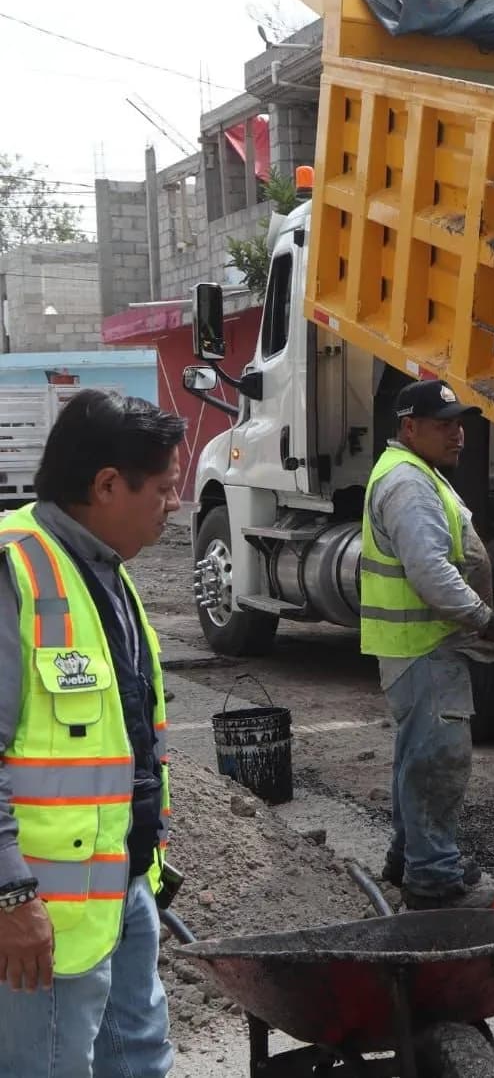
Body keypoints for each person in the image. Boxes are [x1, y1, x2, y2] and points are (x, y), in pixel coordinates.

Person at [0, 390, 185, 1076]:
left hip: (121, 887)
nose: (174, 504)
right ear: (108, 484)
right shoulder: (18, 570)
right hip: (39, 909)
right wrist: (10, 897)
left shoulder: (105, 569)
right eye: (164, 489)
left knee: (138, 1059)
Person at [361, 380, 494, 910]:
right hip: (425, 645)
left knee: (418, 756)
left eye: (459, 423)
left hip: (420, 645)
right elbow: (431, 572)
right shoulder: (408, 484)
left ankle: (409, 854)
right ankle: (432, 877)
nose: (458, 434)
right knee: (438, 760)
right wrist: (490, 622)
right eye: (444, 425)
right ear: (409, 428)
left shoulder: (417, 473)